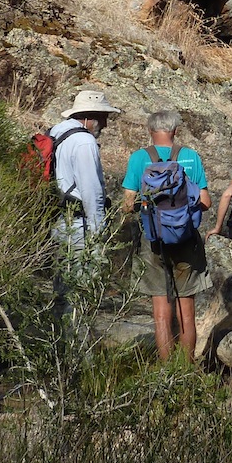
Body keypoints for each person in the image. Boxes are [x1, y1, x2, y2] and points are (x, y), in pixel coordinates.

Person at [120, 109, 212, 361]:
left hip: (153, 240)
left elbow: (127, 205)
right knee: (186, 311)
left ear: (150, 131)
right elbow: (205, 201)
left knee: (161, 313)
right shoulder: (190, 157)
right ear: (175, 131)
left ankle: (166, 372)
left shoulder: (139, 158)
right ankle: (186, 370)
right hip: (186, 239)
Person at [49, 88, 120, 250]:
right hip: (79, 227)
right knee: (86, 266)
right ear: (90, 116)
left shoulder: (57, 132)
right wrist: (98, 229)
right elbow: (91, 190)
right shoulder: (85, 142)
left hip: (58, 220)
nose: (105, 125)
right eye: (103, 118)